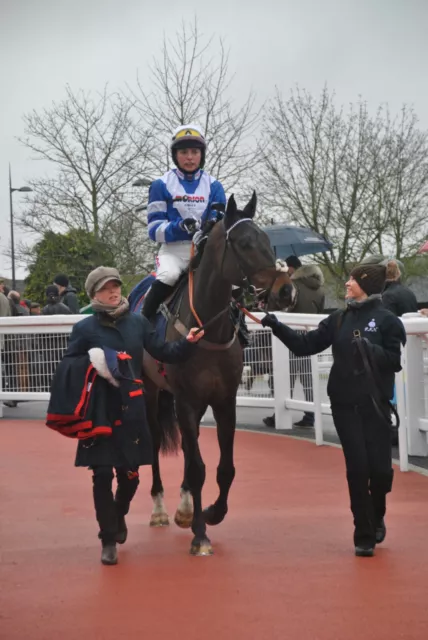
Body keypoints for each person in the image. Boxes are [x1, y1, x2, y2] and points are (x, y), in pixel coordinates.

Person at [48, 266, 204, 566]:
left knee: (130, 478)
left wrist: (188, 343)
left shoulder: (138, 322)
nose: (114, 291)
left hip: (132, 411)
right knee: (102, 475)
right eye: (106, 288)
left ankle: (118, 516)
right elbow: (68, 369)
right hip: (100, 412)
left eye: (116, 286)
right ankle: (108, 540)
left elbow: (162, 350)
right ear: (94, 294)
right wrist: (97, 362)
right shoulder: (84, 329)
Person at [261, 263, 406, 557]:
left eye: (353, 279)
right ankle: (363, 532)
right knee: (357, 469)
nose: (347, 283)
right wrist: (276, 325)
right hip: (344, 406)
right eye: (349, 278)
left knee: (379, 471)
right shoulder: (338, 320)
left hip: (375, 406)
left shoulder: (389, 322)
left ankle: (377, 514)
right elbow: (305, 345)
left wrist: (370, 350)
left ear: (368, 284)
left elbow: (394, 361)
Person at [141, 124, 226, 319]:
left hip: (205, 252)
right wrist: (178, 226)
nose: (189, 157)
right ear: (175, 155)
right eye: (184, 151)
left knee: (232, 280)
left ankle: (241, 329)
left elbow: (220, 219)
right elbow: (154, 230)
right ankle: (144, 326)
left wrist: (211, 224)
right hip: (173, 252)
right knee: (168, 276)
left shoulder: (214, 186)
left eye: (195, 151)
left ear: (201, 155)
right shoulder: (160, 185)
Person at [263, 255, 325, 428]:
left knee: (283, 376)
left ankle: (280, 414)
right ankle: (310, 414)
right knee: (308, 378)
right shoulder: (320, 289)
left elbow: (277, 308)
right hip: (311, 334)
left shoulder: (291, 286)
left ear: (291, 269)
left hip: (290, 336)